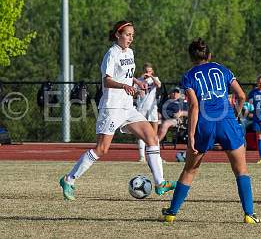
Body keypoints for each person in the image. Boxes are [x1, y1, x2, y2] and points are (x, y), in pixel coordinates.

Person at [59, 20, 176, 200]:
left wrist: (136, 82)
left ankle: (160, 183)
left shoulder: (130, 52)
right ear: (118, 35)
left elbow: (127, 76)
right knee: (102, 149)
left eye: (132, 35)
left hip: (127, 107)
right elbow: (107, 80)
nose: (131, 38)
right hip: (112, 107)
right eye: (128, 34)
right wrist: (123, 86)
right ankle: (69, 179)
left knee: (152, 138)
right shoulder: (111, 54)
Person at [161, 38, 261, 224]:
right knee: (241, 170)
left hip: (204, 124)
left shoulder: (189, 76)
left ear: (191, 57)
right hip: (227, 121)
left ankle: (171, 213)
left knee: (190, 170)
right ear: (209, 55)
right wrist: (236, 115)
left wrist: (190, 135)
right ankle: (249, 214)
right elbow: (241, 95)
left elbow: (194, 106)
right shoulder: (222, 70)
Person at [135, 63, 161, 162]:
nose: (148, 73)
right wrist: (137, 91)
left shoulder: (154, 79)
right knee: (141, 133)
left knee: (154, 133)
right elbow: (133, 92)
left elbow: (158, 84)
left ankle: (157, 156)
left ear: (152, 71)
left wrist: (151, 77)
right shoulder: (139, 80)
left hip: (152, 108)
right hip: (141, 108)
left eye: (150, 71)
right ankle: (142, 156)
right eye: (146, 71)